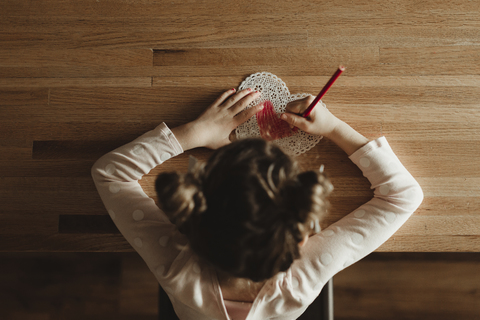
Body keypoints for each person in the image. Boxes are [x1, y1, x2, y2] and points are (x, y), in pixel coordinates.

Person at [92, 87, 423, 320]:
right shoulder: (306, 275)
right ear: (302, 237)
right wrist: (335, 128)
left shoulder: (176, 267)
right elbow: (403, 196)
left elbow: (110, 173)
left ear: (189, 222)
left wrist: (193, 133)